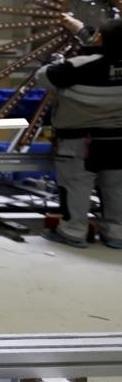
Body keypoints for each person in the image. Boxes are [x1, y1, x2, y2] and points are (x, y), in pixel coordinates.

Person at [36, 15, 122, 249]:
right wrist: (83, 30)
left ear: (101, 39)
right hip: (118, 140)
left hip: (79, 142)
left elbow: (43, 77)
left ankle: (73, 231)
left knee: (76, 187)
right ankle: (117, 234)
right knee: (116, 189)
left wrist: (52, 62)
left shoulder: (77, 67)